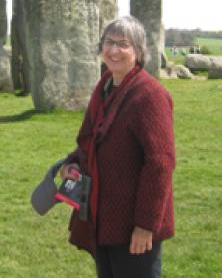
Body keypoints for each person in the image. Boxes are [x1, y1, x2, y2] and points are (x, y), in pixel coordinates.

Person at [61, 16, 175, 278]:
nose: (113, 50)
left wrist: (146, 225)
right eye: (108, 42)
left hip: (134, 224)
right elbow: (94, 140)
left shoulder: (150, 95)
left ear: (138, 50)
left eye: (123, 44)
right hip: (104, 217)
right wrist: (73, 163)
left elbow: (160, 163)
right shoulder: (105, 88)